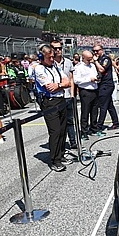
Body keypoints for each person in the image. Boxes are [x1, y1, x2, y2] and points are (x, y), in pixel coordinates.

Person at [31, 44, 71, 172]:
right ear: (42, 57)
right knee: (55, 131)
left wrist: (59, 85)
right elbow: (49, 87)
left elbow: (68, 82)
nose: (52, 59)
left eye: (53, 57)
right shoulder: (39, 69)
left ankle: (61, 154)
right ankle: (55, 160)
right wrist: (61, 85)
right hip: (49, 102)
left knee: (63, 129)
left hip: (61, 100)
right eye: (49, 57)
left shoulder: (56, 67)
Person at [51, 40, 77, 149]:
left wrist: (72, 94)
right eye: (55, 48)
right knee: (58, 123)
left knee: (70, 120)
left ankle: (73, 141)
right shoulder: (50, 63)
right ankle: (60, 144)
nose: (58, 50)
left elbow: (71, 79)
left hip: (67, 96)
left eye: (60, 48)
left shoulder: (68, 62)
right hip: (56, 97)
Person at [92, 43, 119, 136]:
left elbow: (102, 70)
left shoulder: (105, 59)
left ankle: (99, 126)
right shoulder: (99, 59)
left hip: (106, 85)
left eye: (97, 51)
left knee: (103, 106)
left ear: (102, 50)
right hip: (102, 84)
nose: (95, 52)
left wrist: (95, 61)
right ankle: (116, 123)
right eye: (94, 51)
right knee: (109, 105)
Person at [72, 50, 99, 140]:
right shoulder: (78, 67)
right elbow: (76, 80)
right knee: (85, 111)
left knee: (94, 111)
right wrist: (89, 79)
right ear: (83, 58)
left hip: (94, 89)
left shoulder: (92, 66)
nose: (90, 60)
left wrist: (97, 79)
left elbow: (95, 75)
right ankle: (84, 131)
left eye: (91, 59)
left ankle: (94, 128)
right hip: (85, 90)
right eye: (88, 59)